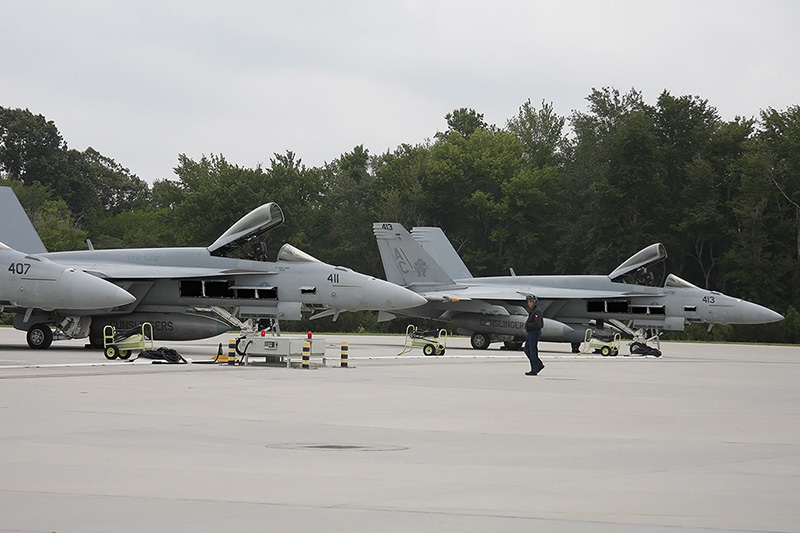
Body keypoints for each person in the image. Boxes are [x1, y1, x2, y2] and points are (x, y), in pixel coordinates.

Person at [524, 294, 545, 375]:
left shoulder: (537, 311)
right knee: (527, 350)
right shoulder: (533, 310)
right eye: (528, 302)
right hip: (531, 333)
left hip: (534, 332)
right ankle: (538, 364)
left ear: (535, 302)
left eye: (531, 302)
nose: (529, 303)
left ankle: (534, 369)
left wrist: (528, 325)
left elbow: (538, 324)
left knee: (533, 351)